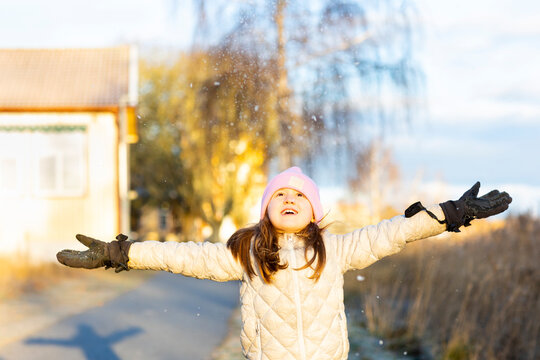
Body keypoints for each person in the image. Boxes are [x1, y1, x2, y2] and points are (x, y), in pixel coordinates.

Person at [57, 166, 512, 360]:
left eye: (299, 196)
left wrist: (449, 214)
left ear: (314, 211)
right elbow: (185, 255)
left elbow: (393, 232)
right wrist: (123, 253)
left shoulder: (337, 251)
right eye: (280, 194)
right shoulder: (249, 255)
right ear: (266, 209)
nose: (289, 199)